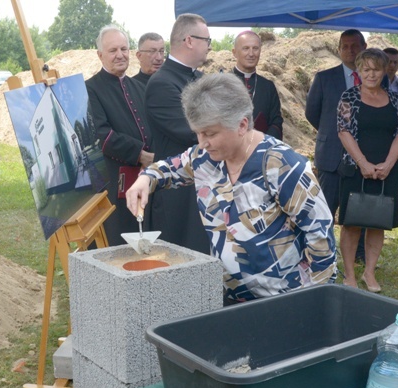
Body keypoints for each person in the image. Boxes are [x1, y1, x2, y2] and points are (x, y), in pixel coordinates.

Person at [126, 73, 337, 305]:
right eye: (197, 132)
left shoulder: (282, 165)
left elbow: (320, 236)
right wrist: (145, 179)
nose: (202, 142)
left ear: (242, 125)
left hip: (284, 302)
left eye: (210, 133)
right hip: (227, 298)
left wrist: (317, 301)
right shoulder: (204, 158)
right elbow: (167, 169)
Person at [337, 48, 398, 293]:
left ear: (384, 70)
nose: (371, 73)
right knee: (352, 222)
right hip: (356, 169)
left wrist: (388, 164)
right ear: (359, 70)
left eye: (376, 69)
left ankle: (369, 272)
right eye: (366, 69)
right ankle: (349, 274)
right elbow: (344, 131)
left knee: (378, 221)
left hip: (388, 170)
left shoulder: (396, 99)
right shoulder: (349, 97)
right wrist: (363, 163)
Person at [145, 13, 211, 254]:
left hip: (204, 185)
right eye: (207, 40)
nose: (209, 47)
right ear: (190, 40)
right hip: (178, 195)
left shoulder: (200, 78)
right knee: (180, 263)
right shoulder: (162, 83)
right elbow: (193, 132)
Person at [85, 25, 154, 246]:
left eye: (124, 49)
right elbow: (101, 134)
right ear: (100, 55)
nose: (120, 55)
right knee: (118, 239)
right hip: (113, 179)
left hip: (146, 175)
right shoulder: (90, 89)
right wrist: (141, 154)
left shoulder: (139, 87)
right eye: (113, 50)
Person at [305, 29, 367, 263]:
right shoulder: (324, 78)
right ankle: (322, 252)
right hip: (331, 155)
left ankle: (358, 254)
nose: (350, 50)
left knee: (358, 210)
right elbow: (312, 113)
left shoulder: (373, 78)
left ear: (364, 47)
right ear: (339, 50)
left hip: (362, 158)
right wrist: (332, 133)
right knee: (325, 209)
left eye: (355, 45)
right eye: (345, 46)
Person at [231, 31, 283, 139]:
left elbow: (276, 122)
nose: (251, 54)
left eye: (255, 48)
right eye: (245, 48)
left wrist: (262, 143)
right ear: (234, 52)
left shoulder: (268, 86)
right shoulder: (221, 84)